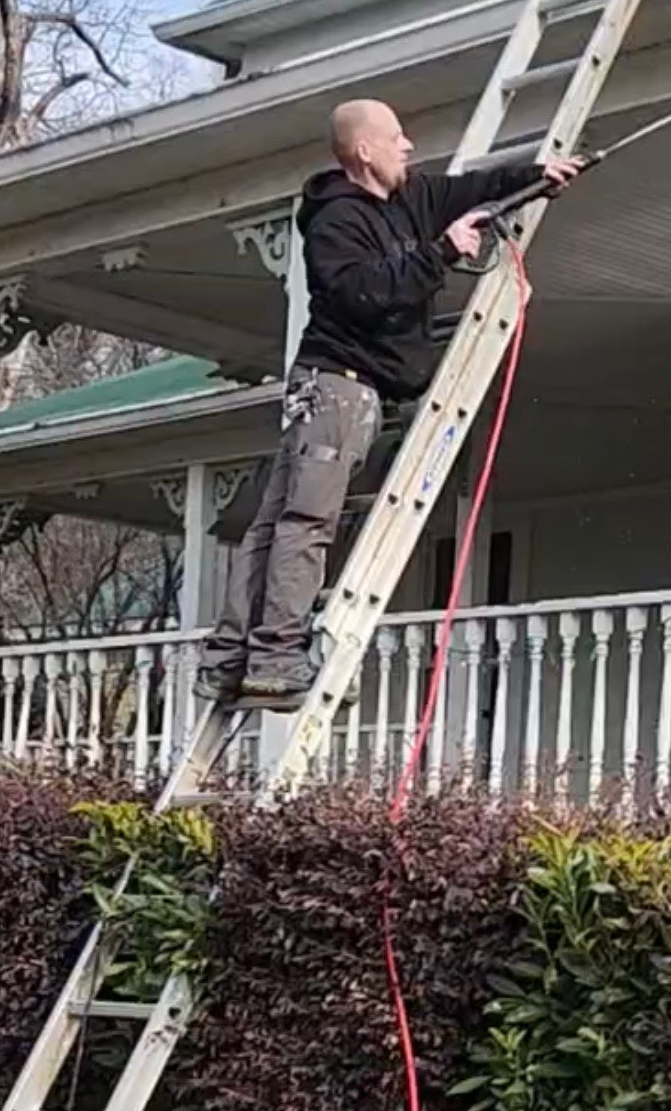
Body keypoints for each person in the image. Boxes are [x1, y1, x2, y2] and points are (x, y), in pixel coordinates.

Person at [195, 99, 582, 709]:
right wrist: (442, 254)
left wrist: (538, 177)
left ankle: (227, 660)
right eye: (397, 138)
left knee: (276, 526)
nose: (409, 147)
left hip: (342, 391)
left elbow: (471, 189)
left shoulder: (409, 200)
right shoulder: (335, 223)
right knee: (304, 525)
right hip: (335, 389)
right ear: (365, 152)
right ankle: (273, 660)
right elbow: (365, 293)